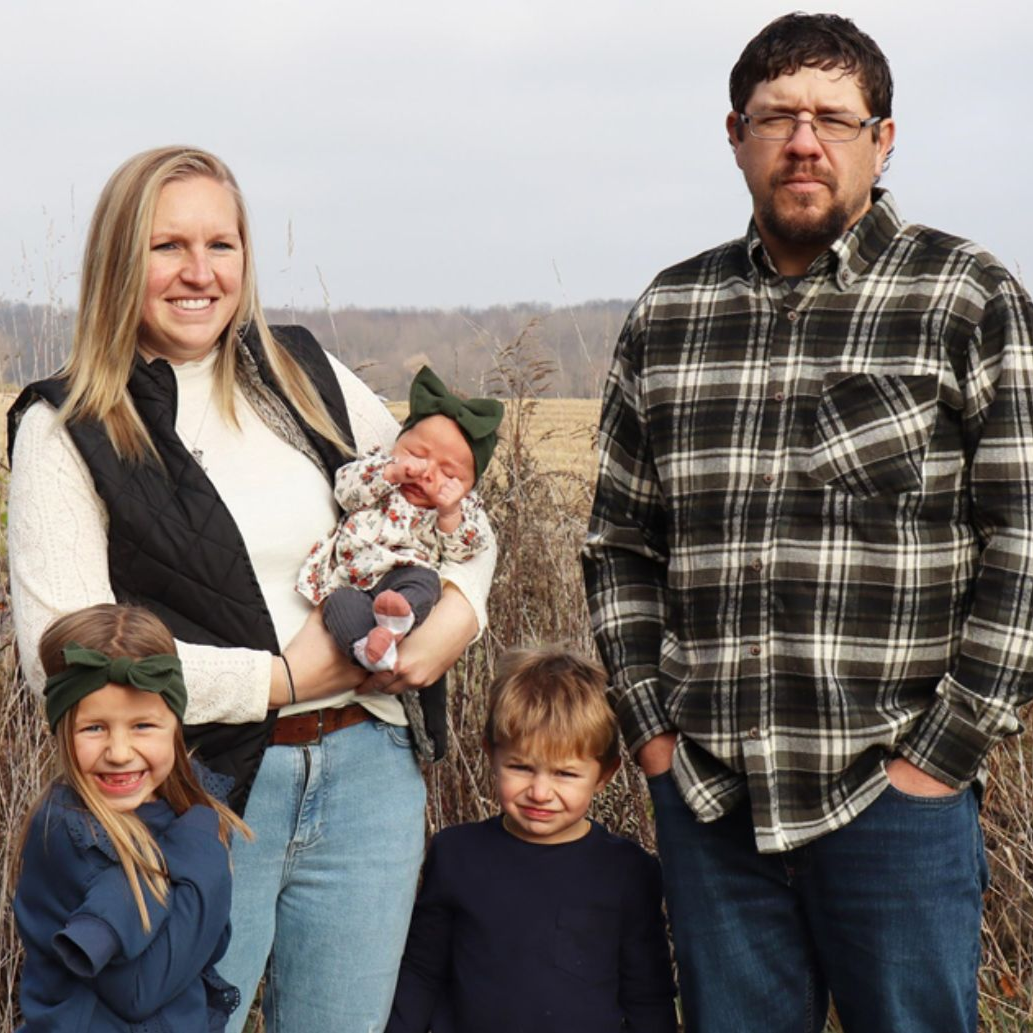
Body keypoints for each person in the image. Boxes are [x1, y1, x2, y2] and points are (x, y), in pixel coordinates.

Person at [582, 12, 1033, 1033]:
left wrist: (942, 754)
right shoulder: (669, 314)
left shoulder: (963, 297)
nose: (803, 140)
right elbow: (618, 548)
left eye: (834, 117)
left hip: (893, 793)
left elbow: (1026, 543)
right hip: (710, 799)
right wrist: (652, 732)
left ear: (882, 138)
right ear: (734, 133)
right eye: (778, 116)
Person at [7, 146, 494, 1033]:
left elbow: (456, 507)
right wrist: (282, 679)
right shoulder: (66, 423)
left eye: (221, 244)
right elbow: (64, 662)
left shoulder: (304, 371)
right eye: (167, 247)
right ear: (120, 259)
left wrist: (452, 622)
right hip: (198, 800)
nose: (200, 273)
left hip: (370, 779)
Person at [386, 647, 678, 1033]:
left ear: (604, 774)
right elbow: (422, 973)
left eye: (565, 774)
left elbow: (648, 996)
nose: (540, 792)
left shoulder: (629, 872)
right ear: (491, 754)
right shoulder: (457, 855)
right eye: (521, 767)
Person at [14, 603, 248, 1032]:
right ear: (63, 730)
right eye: (94, 728)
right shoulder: (70, 832)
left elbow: (208, 943)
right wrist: (199, 846)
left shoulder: (181, 808)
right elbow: (142, 989)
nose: (119, 753)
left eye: (143, 726)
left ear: (175, 726)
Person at [298, 364, 502, 672]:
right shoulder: (378, 469)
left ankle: (398, 621)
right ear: (398, 443)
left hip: (405, 575)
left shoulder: (462, 509)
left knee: (425, 583)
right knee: (339, 605)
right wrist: (389, 473)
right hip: (352, 577)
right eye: (417, 455)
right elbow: (345, 491)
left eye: (448, 474)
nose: (426, 474)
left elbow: (465, 552)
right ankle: (367, 648)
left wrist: (449, 513)